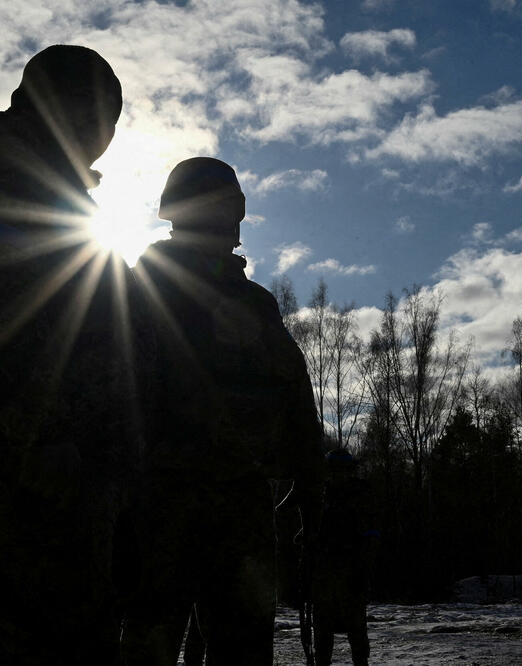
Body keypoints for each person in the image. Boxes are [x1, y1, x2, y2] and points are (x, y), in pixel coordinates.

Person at [0, 45, 149, 665]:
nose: (104, 139)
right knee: (59, 642)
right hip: (19, 455)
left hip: (65, 455)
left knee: (36, 640)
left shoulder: (60, 196)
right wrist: (45, 436)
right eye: (100, 119)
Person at [121, 157, 322, 665]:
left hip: (225, 506)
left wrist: (310, 481)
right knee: (157, 640)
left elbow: (292, 391)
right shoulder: (142, 291)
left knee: (230, 645)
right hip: (165, 500)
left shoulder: (252, 303)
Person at [309, 448, 378, 666]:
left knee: (357, 636)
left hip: (352, 574)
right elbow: (310, 534)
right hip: (324, 576)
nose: (338, 475)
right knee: (322, 637)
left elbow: (371, 537)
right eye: (334, 470)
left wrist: (364, 570)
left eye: (342, 470)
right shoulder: (320, 496)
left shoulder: (361, 496)